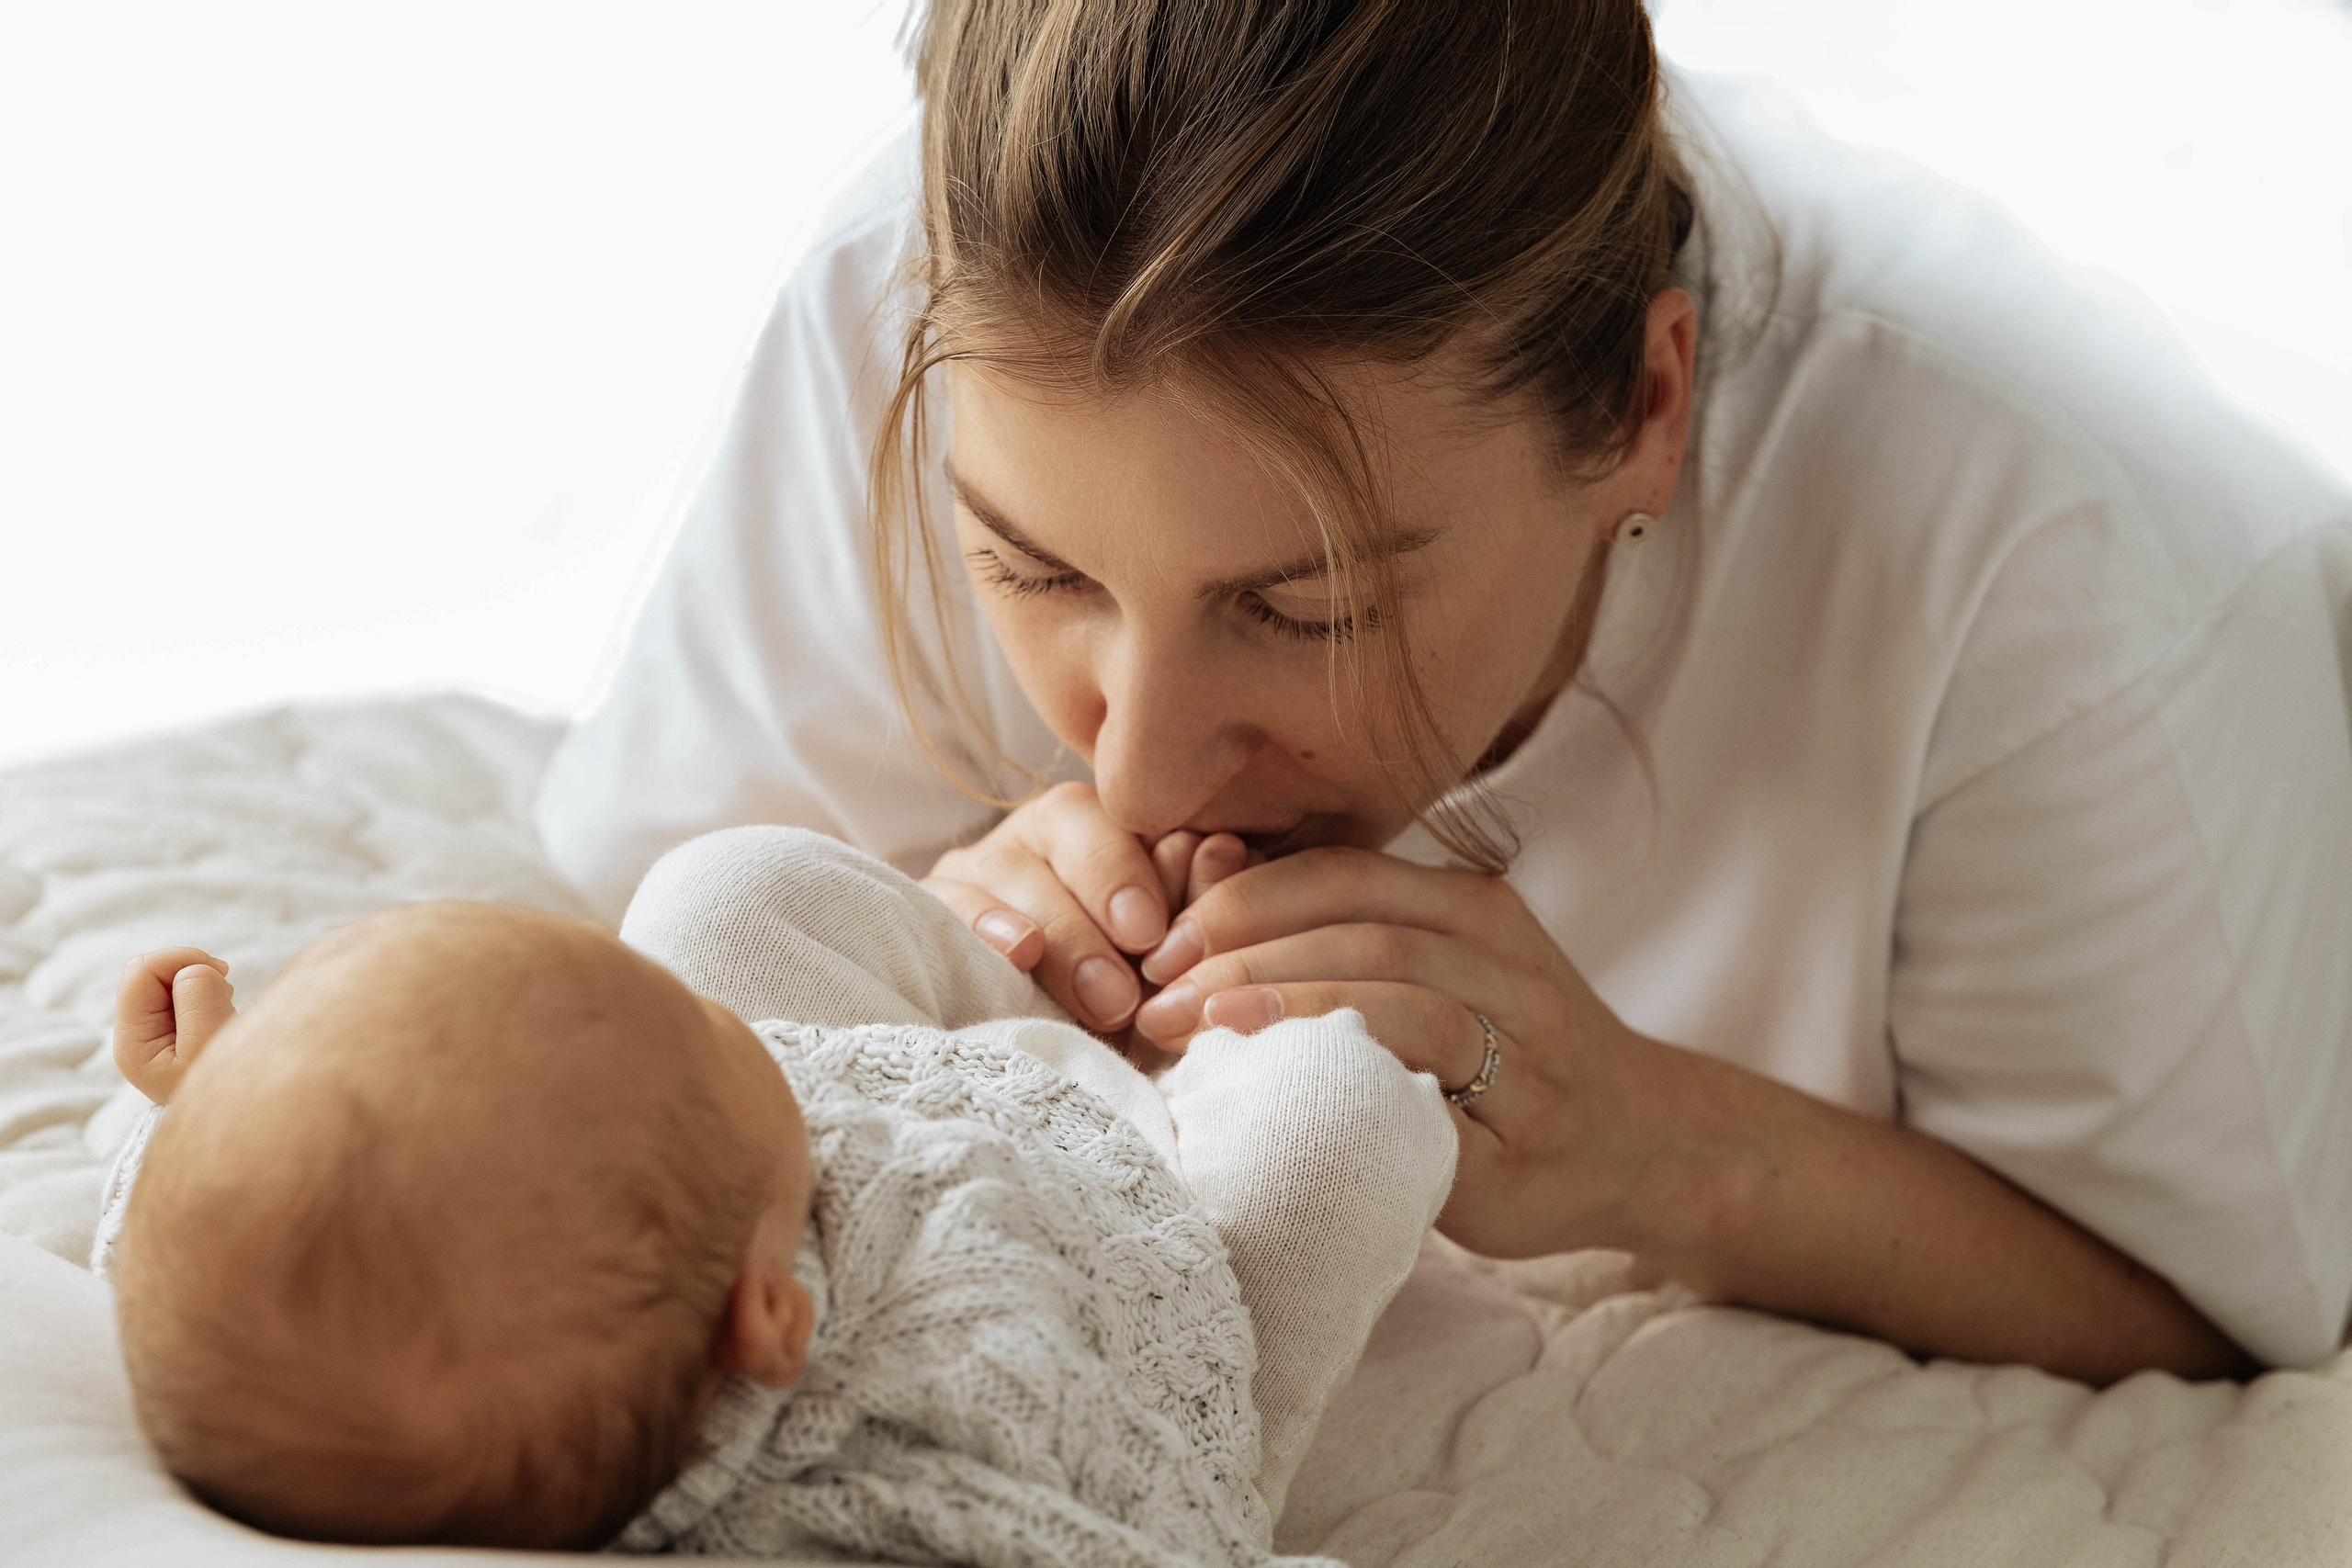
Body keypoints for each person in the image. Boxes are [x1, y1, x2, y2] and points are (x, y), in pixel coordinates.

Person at [537, 0, 2352, 1382]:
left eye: (1305, 606)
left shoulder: (2054, 561)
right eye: (1034, 569)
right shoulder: (933, 284)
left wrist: (1649, 1142)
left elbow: (2218, 1303)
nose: (1142, 768)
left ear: (1646, 407)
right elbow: (648, 930)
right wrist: (932, 920)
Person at [95, 827, 1450, 1559]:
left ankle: (1082, 1001)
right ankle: (1196, 1051)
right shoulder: (946, 1436)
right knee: (1342, 1128)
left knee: (726, 892)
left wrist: (220, 1092)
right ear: (771, 1318)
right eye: (693, 1033)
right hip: (1158, 1267)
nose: (703, 1014)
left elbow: (265, 1236)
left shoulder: (335, 1321)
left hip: (861, 1105)